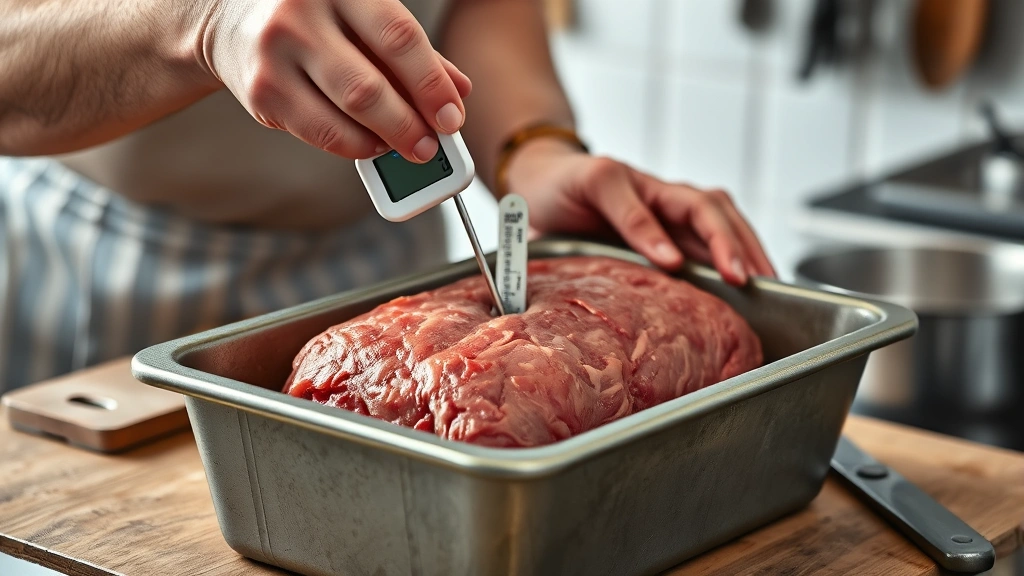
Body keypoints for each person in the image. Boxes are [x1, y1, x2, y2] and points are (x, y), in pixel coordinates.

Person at [0, 0, 775, 391]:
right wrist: (201, 19)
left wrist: (532, 153)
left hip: (376, 281)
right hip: (103, 279)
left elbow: (477, 9)